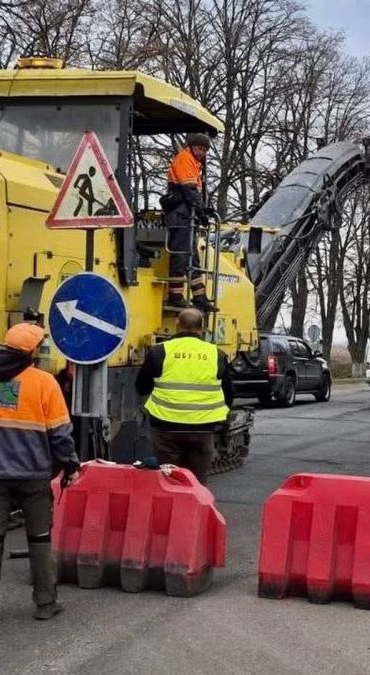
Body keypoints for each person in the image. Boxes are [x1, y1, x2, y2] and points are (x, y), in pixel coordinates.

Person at [0, 323, 80, 625]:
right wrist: (70, 465)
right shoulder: (44, 382)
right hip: (34, 474)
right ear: (34, 350)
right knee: (39, 539)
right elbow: (61, 434)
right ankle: (45, 604)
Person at [134, 308, 232, 482]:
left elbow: (141, 387)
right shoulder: (216, 354)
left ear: (177, 325)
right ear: (202, 328)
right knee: (196, 483)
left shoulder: (160, 351)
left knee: (168, 480)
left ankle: (170, 507)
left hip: (166, 428)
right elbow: (229, 394)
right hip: (203, 429)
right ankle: (194, 507)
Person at [162, 132, 215, 312]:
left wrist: (201, 211)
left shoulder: (195, 164)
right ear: (191, 147)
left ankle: (199, 297)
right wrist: (201, 211)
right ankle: (175, 295)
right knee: (181, 254)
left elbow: (194, 192)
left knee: (192, 256)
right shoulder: (185, 159)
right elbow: (189, 190)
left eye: (205, 150)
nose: (202, 153)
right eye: (200, 149)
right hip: (179, 213)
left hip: (186, 214)